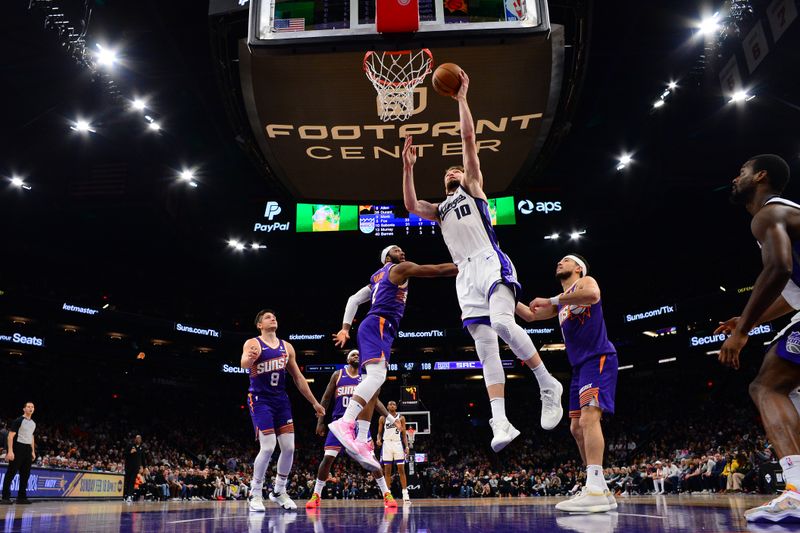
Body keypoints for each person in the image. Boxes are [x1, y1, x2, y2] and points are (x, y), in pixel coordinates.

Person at [401, 70, 563, 452]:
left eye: (455, 168)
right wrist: (407, 168)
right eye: (447, 172)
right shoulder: (439, 209)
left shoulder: (473, 188)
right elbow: (410, 205)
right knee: (485, 347)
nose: (452, 171)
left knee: (504, 322)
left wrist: (461, 100)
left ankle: (546, 382)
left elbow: (468, 140)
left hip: (490, 260)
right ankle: (501, 421)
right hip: (464, 275)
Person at [714, 154, 800, 522]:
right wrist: (746, 319)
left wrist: (744, 330)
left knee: (767, 387)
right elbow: (789, 293)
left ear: (760, 176)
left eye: (742, 171)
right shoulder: (787, 214)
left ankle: (796, 491)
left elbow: (779, 267)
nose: (736, 178)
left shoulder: (767, 213)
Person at [328, 245, 457, 466]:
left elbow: (353, 299)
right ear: (388, 257)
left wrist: (345, 328)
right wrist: (467, 265)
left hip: (378, 327)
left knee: (374, 384)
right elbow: (436, 269)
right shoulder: (398, 269)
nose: (402, 251)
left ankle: (360, 439)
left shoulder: (376, 278)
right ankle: (346, 422)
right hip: (378, 324)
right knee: (377, 378)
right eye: (397, 249)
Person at [516, 254, 618, 512]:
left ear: (578, 268)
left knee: (588, 418)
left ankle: (594, 487)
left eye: (565, 260)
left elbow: (593, 296)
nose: (559, 263)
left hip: (598, 358)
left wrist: (551, 299)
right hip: (579, 368)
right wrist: (501, 295)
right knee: (575, 428)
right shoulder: (562, 304)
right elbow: (529, 315)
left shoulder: (585, 283)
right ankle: (600, 487)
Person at [241, 309, 325, 512]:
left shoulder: (286, 347)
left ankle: (278, 491)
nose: (273, 318)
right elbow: (243, 364)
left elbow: (298, 378)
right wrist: (249, 360)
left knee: (288, 447)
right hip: (260, 399)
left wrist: (314, 402)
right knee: (268, 446)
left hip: (281, 400)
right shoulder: (253, 343)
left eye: (275, 316)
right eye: (268, 317)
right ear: (260, 324)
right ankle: (255, 492)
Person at [306, 350, 399, 509]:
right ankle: (316, 494)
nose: (356, 356)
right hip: (339, 422)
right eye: (353, 355)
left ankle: (386, 494)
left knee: (372, 460)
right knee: (328, 458)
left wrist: (391, 418)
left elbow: (375, 402)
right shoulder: (338, 375)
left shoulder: (366, 378)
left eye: (358, 355)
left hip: (359, 424)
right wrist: (320, 421)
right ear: (347, 359)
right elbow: (326, 398)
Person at [1, 402, 36, 505]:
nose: (31, 408)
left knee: (25, 474)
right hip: (18, 447)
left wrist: (33, 451)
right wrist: (10, 451)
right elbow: (10, 436)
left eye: (32, 407)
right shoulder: (18, 421)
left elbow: (31, 437)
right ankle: (5, 497)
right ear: (24, 409)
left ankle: (21, 497)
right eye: (28, 407)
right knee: (11, 473)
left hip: (27, 449)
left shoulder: (33, 423)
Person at [377, 401, 411, 504]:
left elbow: (404, 434)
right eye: (390, 404)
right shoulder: (383, 418)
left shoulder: (401, 418)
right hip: (387, 444)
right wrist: (378, 439)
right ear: (387, 407)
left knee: (401, 469)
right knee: (387, 470)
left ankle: (405, 494)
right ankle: (388, 495)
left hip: (397, 444)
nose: (392, 405)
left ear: (396, 407)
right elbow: (379, 433)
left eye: (394, 404)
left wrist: (406, 446)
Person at [123, 434, 144, 502]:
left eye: (140, 438)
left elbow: (143, 458)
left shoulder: (141, 448)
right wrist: (130, 452)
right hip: (128, 467)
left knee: (132, 481)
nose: (138, 439)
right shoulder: (130, 446)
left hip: (136, 468)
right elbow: (124, 454)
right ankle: (125, 495)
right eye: (137, 438)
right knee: (127, 481)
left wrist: (144, 467)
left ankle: (129, 496)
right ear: (135, 439)